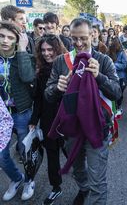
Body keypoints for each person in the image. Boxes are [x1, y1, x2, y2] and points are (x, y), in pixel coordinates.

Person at [44, 18, 121, 205]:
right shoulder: (62, 61)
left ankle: (93, 194)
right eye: (74, 38)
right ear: (69, 36)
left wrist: (99, 76)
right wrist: (57, 88)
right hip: (72, 130)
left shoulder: (103, 60)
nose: (79, 43)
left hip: (97, 128)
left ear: (92, 35)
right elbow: (48, 94)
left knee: (98, 181)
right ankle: (83, 189)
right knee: (77, 170)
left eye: (83, 38)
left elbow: (117, 92)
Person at [28, 34, 67, 205]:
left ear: (58, 49)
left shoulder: (68, 67)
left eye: (50, 49)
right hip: (48, 120)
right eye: (43, 50)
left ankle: (84, 184)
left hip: (67, 121)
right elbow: (38, 99)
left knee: (73, 153)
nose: (46, 53)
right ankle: (56, 187)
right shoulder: (41, 70)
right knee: (52, 156)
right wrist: (34, 119)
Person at [0, 21, 36, 201]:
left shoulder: (25, 56)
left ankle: (29, 180)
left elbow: (28, 77)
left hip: (21, 112)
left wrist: (22, 50)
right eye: (2, 36)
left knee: (25, 151)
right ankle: (16, 178)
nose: (5, 40)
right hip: (1, 115)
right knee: (1, 155)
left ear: (17, 40)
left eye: (10, 37)